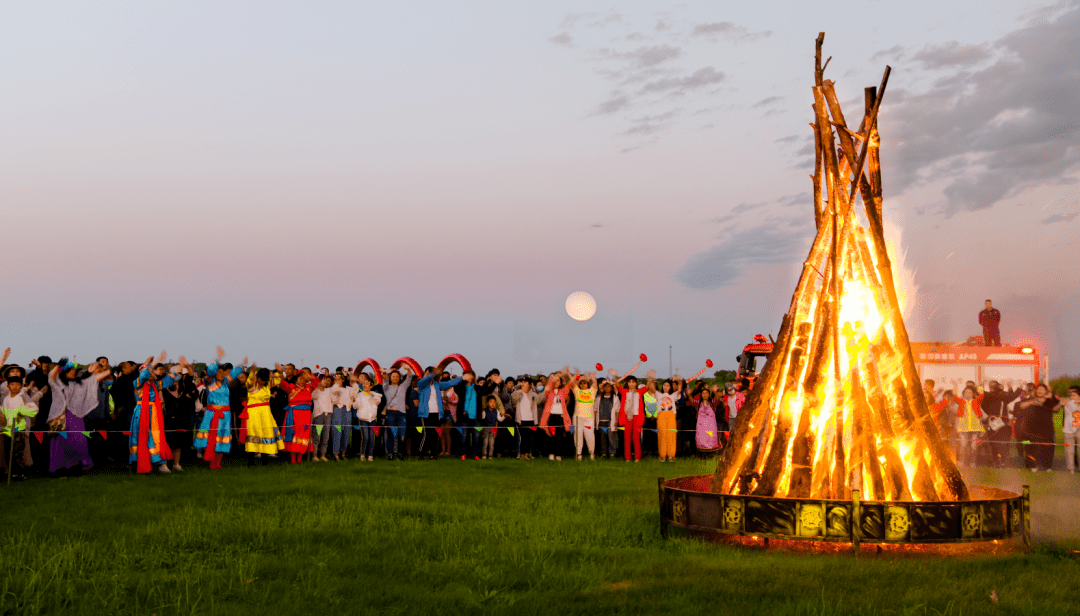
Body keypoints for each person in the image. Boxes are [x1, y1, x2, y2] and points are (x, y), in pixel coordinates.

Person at [194, 349, 243, 470]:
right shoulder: (210, 382)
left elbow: (235, 372)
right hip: (212, 414)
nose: (222, 374)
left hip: (225, 415)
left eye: (223, 372)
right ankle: (211, 462)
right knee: (212, 438)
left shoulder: (225, 382)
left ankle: (218, 462)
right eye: (219, 372)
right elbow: (210, 371)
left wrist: (242, 364)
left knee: (223, 437)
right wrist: (217, 359)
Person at [130, 353, 178, 474]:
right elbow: (144, 374)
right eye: (150, 372)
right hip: (142, 413)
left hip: (154, 414)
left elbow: (168, 381)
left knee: (157, 436)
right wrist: (152, 363)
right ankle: (143, 463)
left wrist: (179, 367)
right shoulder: (138, 383)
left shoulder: (155, 385)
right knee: (143, 437)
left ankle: (159, 462)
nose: (152, 374)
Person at [0, 372, 40, 477]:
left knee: (19, 451)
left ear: (21, 386)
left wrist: (21, 412)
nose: (15, 387)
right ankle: (12, 472)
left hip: (20, 428)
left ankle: (21, 473)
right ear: (8, 386)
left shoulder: (22, 396)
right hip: (9, 429)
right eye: (12, 384)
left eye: (17, 384)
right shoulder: (6, 399)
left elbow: (34, 409)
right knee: (10, 450)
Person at [276, 363, 316, 465]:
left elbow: (316, 381)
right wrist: (281, 373)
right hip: (294, 415)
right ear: (296, 379)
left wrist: (307, 375)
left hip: (306, 416)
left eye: (304, 379)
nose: (302, 381)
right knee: (295, 435)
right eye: (300, 379)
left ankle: (300, 458)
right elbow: (282, 383)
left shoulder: (308, 387)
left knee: (304, 436)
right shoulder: (291, 387)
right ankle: (293, 459)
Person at [243, 365, 284, 463]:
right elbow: (250, 378)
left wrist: (281, 372)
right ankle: (250, 461)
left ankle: (265, 460)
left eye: (265, 380)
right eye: (261, 380)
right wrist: (253, 370)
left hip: (266, 413)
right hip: (253, 414)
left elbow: (279, 380)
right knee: (254, 434)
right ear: (257, 378)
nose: (263, 382)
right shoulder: (251, 384)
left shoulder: (267, 385)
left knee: (266, 433)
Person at [416, 364, 456, 460]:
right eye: (426, 373)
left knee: (435, 435)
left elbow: (450, 383)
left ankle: (433, 454)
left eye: (428, 373)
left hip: (436, 414)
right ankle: (421, 453)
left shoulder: (437, 385)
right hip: (425, 414)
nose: (427, 375)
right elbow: (426, 379)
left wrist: (462, 378)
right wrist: (433, 373)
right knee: (426, 434)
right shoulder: (421, 384)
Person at [611, 368, 651, 462]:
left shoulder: (639, 392)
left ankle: (637, 457)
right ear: (627, 383)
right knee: (627, 439)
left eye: (633, 382)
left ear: (636, 383)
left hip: (637, 417)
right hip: (627, 417)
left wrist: (649, 377)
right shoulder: (624, 392)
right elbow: (617, 385)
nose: (632, 384)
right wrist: (614, 376)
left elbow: (647, 387)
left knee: (636, 438)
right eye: (630, 382)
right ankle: (627, 458)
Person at [1017, 384, 1057, 471]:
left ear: (1046, 391)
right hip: (1031, 428)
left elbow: (1056, 409)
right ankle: (1032, 465)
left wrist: (1054, 398)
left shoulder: (1050, 401)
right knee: (1030, 447)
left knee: (1047, 447)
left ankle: (1047, 466)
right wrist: (1030, 403)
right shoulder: (1031, 400)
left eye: (1042, 390)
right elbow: (1021, 405)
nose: (1040, 391)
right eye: (1038, 389)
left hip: (1047, 429)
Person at [981, 381, 1020, 467]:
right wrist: (1018, 388)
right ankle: (999, 461)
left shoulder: (994, 395)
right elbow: (1012, 396)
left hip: (1000, 423)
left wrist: (1012, 388)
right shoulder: (996, 395)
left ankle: (1000, 461)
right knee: (996, 443)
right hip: (995, 422)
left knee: (1000, 442)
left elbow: (1011, 396)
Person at [539, 368, 573, 461]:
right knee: (550, 435)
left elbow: (571, 383)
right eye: (555, 381)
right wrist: (552, 379)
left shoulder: (563, 391)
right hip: (551, 416)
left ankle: (558, 454)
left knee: (559, 436)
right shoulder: (549, 391)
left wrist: (568, 373)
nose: (556, 382)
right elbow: (548, 386)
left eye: (558, 381)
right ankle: (551, 454)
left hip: (560, 416)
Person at [380, 367, 412, 460]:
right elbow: (385, 380)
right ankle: (390, 453)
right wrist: (383, 374)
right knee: (391, 434)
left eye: (397, 376)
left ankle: (400, 453)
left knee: (402, 434)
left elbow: (409, 379)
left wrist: (408, 369)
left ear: (399, 378)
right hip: (391, 413)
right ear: (391, 378)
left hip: (402, 414)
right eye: (393, 376)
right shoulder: (387, 388)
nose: (395, 378)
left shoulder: (403, 387)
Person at [353, 373, 382, 461]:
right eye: (363, 384)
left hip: (372, 419)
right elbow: (355, 405)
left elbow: (377, 402)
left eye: (367, 384)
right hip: (363, 419)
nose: (365, 385)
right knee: (365, 437)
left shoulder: (375, 395)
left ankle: (370, 455)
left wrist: (373, 397)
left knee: (371, 437)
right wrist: (354, 400)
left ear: (371, 386)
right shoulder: (359, 395)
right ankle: (362, 455)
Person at [511, 377, 543, 459]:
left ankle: (527, 454)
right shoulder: (517, 393)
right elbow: (513, 398)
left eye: (525, 382)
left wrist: (545, 391)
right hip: (521, 420)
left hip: (531, 419)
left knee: (529, 438)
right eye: (522, 382)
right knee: (522, 438)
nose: (523, 384)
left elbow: (539, 400)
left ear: (529, 384)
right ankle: (521, 454)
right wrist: (521, 391)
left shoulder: (533, 394)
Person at [952, 385, 984, 467]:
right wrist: (955, 387)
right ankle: (961, 461)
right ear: (963, 393)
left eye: (970, 392)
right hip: (963, 428)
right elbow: (955, 397)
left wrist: (980, 387)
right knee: (963, 445)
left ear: (973, 394)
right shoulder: (961, 401)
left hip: (975, 428)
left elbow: (981, 396)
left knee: (974, 446)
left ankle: (972, 462)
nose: (968, 393)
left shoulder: (976, 401)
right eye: (966, 392)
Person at [570, 371, 597, 460]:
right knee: (577, 436)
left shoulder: (592, 391)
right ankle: (579, 454)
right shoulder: (577, 391)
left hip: (589, 418)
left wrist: (591, 376)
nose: (583, 385)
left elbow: (595, 383)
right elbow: (572, 383)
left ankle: (592, 454)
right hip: (578, 418)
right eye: (581, 383)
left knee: (590, 436)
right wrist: (576, 376)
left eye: (585, 383)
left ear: (588, 384)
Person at [655, 379, 681, 462]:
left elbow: (679, 390)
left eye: (667, 386)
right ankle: (662, 455)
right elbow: (651, 388)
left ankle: (671, 455)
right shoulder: (659, 395)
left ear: (670, 387)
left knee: (671, 434)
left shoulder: (672, 396)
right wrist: (650, 377)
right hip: (661, 414)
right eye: (664, 385)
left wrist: (679, 379)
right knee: (662, 435)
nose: (665, 387)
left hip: (671, 415)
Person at [593, 380, 620, 459]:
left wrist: (616, 421)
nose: (607, 388)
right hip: (601, 421)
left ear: (611, 388)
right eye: (605, 386)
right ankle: (603, 453)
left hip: (611, 421)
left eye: (609, 386)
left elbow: (617, 411)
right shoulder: (599, 398)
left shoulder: (615, 398)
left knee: (612, 437)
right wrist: (595, 420)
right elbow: (595, 409)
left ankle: (612, 453)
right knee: (602, 438)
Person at [310, 374, 334, 462]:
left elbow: (334, 399)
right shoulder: (315, 391)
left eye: (326, 379)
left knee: (326, 436)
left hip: (328, 415)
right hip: (318, 415)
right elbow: (313, 397)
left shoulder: (329, 391)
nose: (325, 381)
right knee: (317, 436)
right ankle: (315, 455)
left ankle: (323, 455)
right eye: (323, 379)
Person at [693, 385, 722, 456]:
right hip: (701, 426)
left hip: (711, 425)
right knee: (701, 439)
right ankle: (702, 455)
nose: (705, 394)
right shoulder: (698, 403)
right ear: (701, 395)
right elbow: (691, 401)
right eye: (703, 393)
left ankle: (711, 455)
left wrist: (715, 392)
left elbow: (718, 399)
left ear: (709, 395)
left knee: (711, 438)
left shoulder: (712, 402)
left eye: (706, 393)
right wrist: (688, 393)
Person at [1056, 386, 1080, 473]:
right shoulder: (1068, 403)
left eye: (1074, 395)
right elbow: (1056, 409)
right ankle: (1071, 468)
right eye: (1071, 395)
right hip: (1068, 430)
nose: (1072, 397)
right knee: (1069, 450)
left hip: (1079, 430)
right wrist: (1061, 404)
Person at [329, 373, 352, 461]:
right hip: (337, 409)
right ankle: (336, 454)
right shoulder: (332, 389)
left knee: (346, 432)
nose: (337, 381)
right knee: (337, 431)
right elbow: (332, 400)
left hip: (347, 410)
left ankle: (343, 453)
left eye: (339, 379)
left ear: (343, 379)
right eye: (335, 379)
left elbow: (353, 398)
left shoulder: (348, 389)